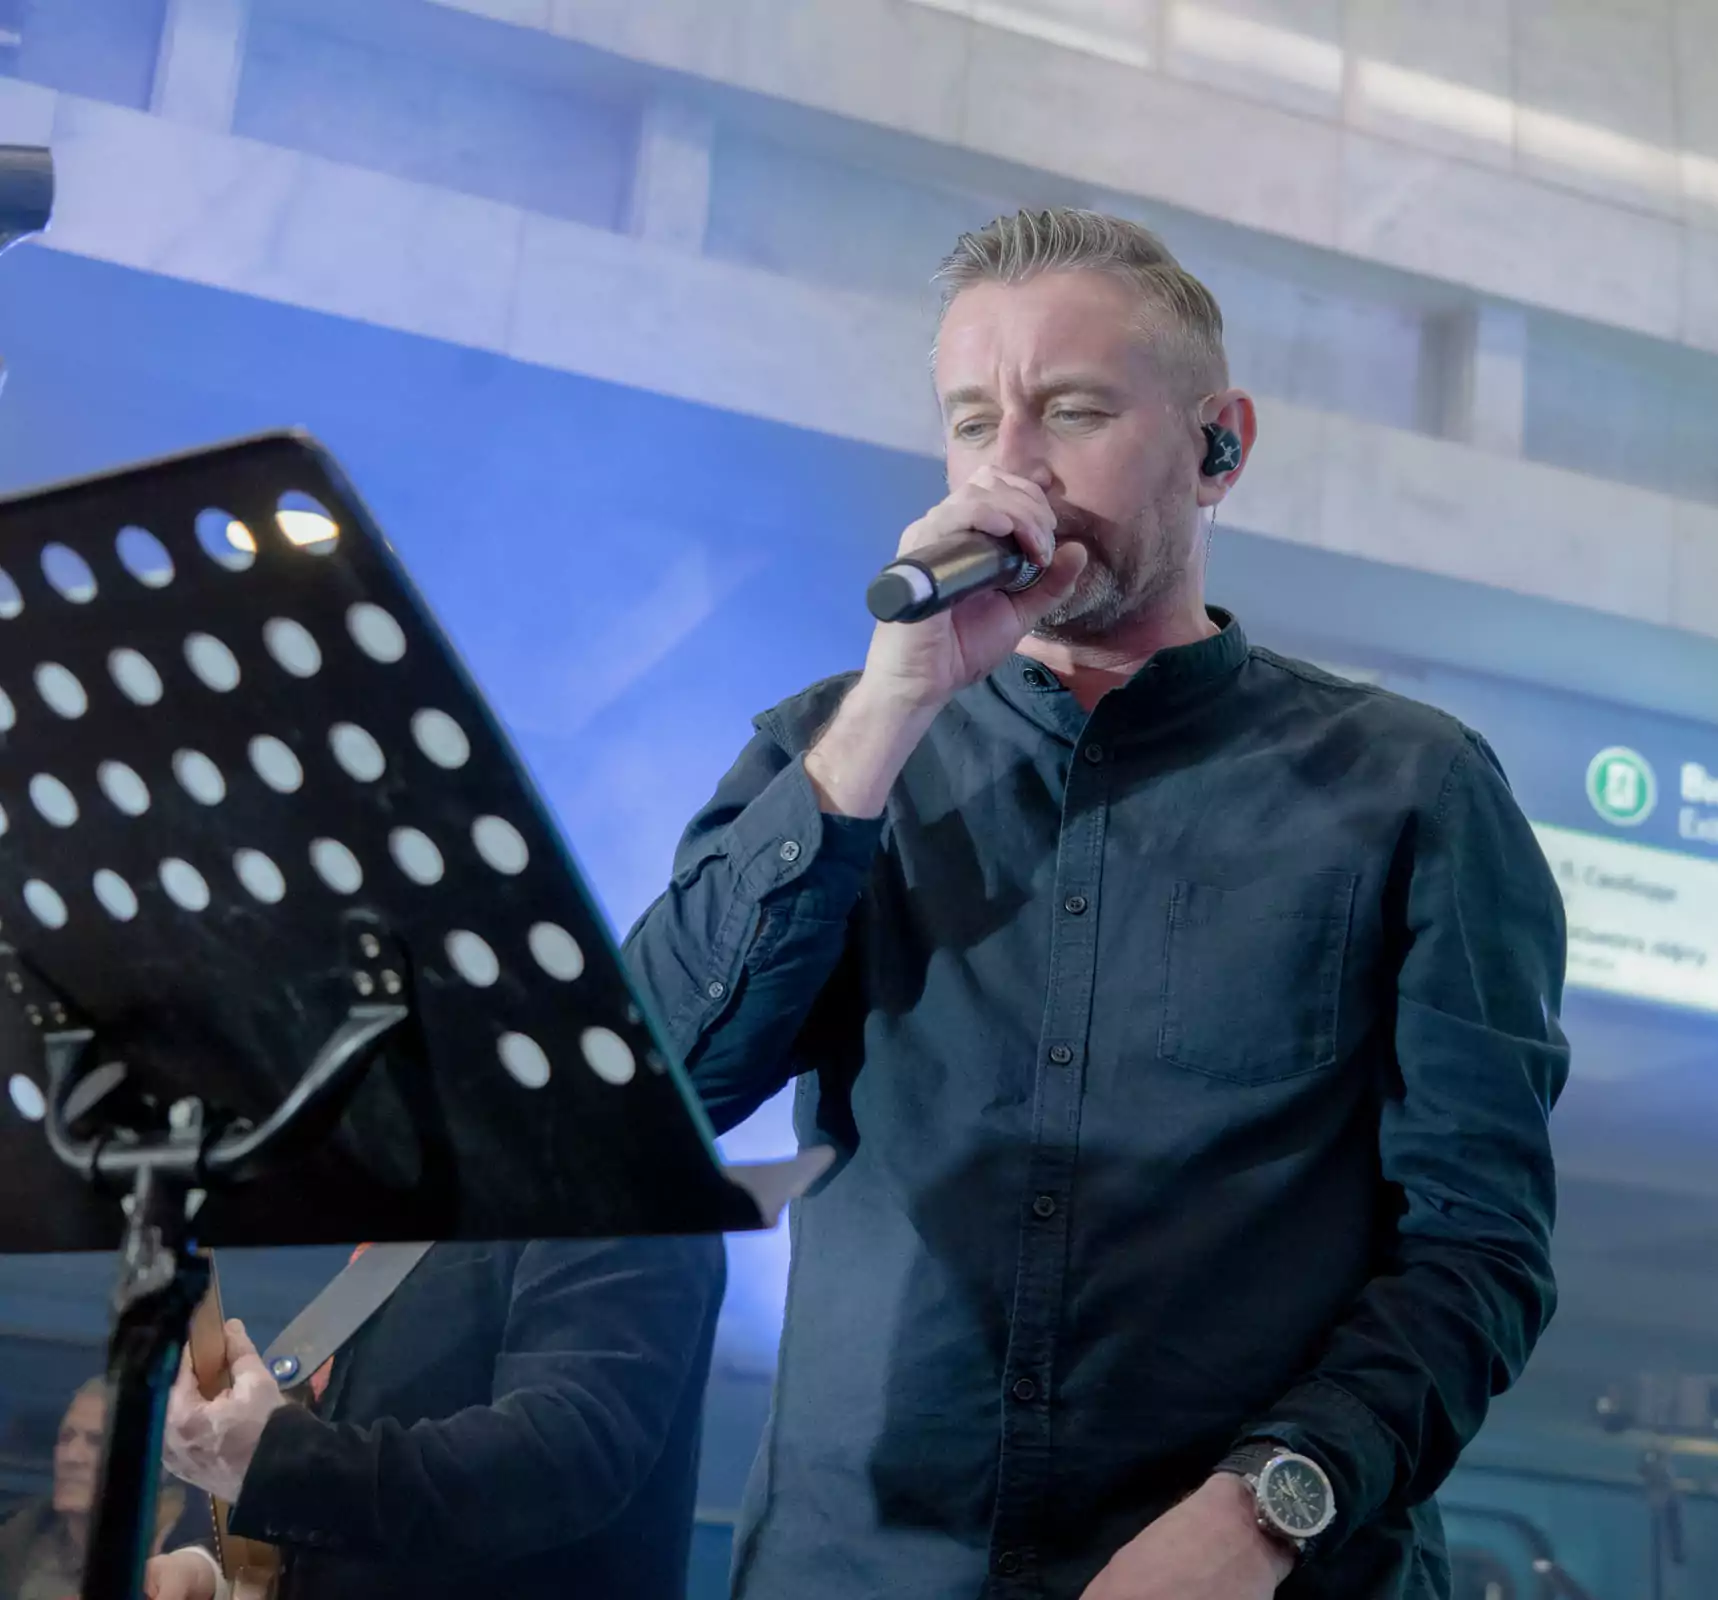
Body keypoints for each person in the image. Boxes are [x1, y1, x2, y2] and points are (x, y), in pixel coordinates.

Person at [621, 207, 1570, 1599]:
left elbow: (1477, 1245)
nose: (1009, 469)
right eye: (969, 422)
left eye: (1070, 411)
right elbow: (649, 1096)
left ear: (1218, 442)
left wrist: (1266, 1510)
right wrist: (891, 709)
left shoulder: (1410, 788)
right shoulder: (830, 753)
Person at [140, 1234, 725, 1600]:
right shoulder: (426, 1223)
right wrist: (215, 1574)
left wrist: (276, 1460)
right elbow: (370, 1506)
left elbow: (558, 1457)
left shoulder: (620, 1171)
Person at [0, 1378, 186, 1600]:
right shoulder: (19, 1543)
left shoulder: (187, 1555)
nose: (72, 1456)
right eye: (66, 1438)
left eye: (97, 1441)